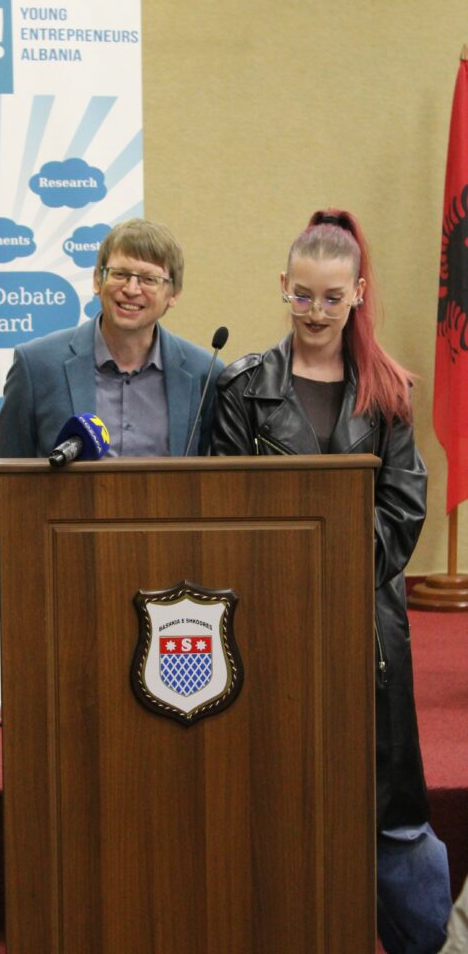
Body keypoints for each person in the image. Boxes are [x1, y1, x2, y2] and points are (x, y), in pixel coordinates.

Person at [211, 209, 452, 954]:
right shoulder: (242, 387)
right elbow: (225, 509)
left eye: (332, 297)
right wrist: (290, 581)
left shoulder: (387, 389)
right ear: (283, 286)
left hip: (366, 627)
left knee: (389, 809)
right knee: (278, 795)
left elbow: (402, 511)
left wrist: (327, 574)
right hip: (269, 623)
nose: (315, 312)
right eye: (303, 295)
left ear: (358, 294)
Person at [0, 218, 223, 458]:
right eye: (120, 274)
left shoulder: (204, 373)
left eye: (149, 279)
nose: (131, 289)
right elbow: (13, 473)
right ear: (97, 280)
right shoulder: (36, 366)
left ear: (174, 294)